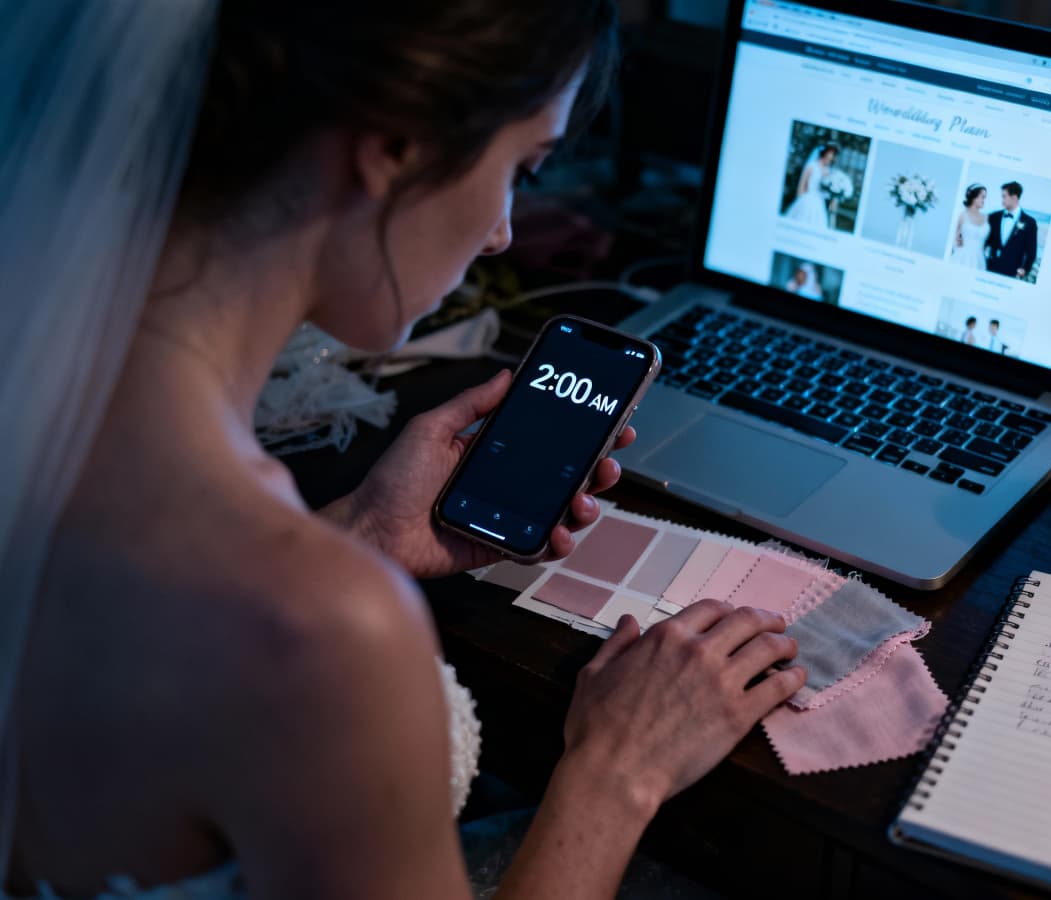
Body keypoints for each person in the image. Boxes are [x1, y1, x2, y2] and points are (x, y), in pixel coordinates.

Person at [0, 3, 809, 899]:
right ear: (394, 146)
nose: (503, 232)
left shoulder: (37, 409)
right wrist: (620, 773)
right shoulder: (329, 633)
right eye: (521, 167)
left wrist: (364, 531)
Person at [984, 181, 1038, 278]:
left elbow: (1031, 251)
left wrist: (1024, 269)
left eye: (1004, 196)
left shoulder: (1030, 222)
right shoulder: (994, 216)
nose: (1002, 200)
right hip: (990, 268)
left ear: (1014, 198)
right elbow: (985, 240)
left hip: (1012, 273)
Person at [785, 143, 838, 228]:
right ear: (825, 153)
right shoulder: (812, 166)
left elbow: (827, 190)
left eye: (833, 155)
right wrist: (801, 198)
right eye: (831, 153)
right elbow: (802, 184)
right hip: (808, 198)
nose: (831, 157)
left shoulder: (828, 171)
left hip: (819, 202)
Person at [949, 183, 988, 269]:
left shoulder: (986, 218)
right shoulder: (961, 215)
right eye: (982, 197)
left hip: (980, 259)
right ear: (974, 197)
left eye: (985, 198)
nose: (984, 200)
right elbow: (953, 236)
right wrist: (956, 242)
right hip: (961, 257)